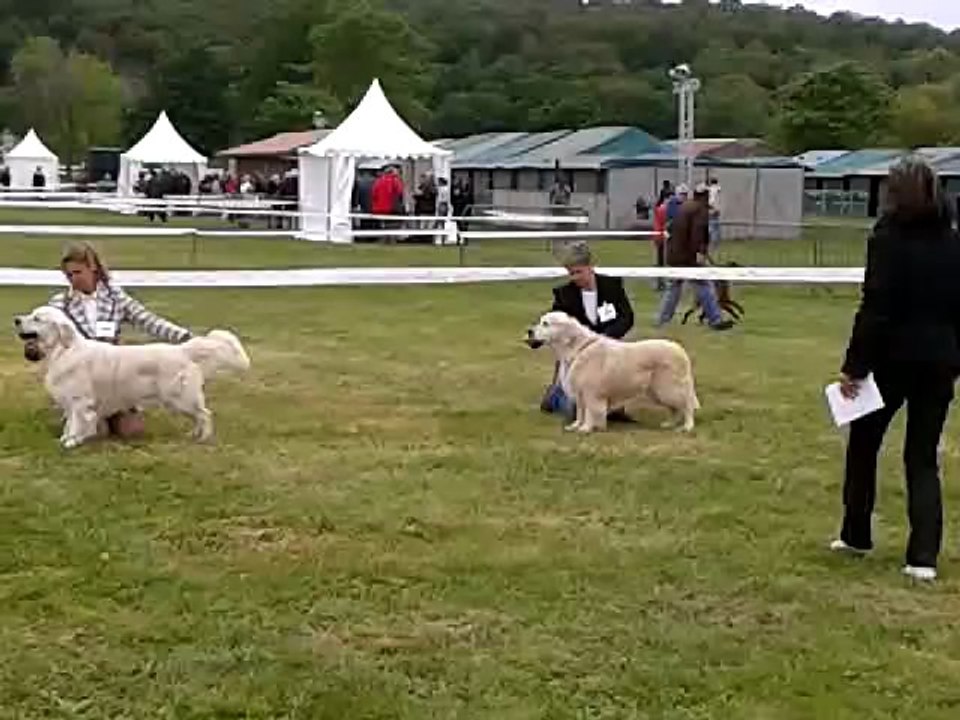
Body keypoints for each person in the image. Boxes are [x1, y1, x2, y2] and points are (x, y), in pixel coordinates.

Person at [832, 157, 960, 582]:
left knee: (864, 444)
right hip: (939, 360)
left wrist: (854, 366)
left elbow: (876, 306)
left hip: (891, 359)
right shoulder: (952, 240)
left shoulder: (887, 238)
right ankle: (923, 557)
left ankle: (855, 534)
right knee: (922, 457)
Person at [47, 242, 194, 439]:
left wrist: (182, 336)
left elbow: (147, 320)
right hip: (79, 382)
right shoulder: (59, 305)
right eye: (69, 275)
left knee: (132, 431)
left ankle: (114, 412)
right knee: (96, 433)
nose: (73, 279)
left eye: (78, 272)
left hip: (116, 378)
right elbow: (45, 337)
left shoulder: (116, 297)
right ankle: (76, 417)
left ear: (93, 267)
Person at [539, 241, 635, 421]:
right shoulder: (564, 294)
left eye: (579, 272)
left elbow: (626, 317)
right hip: (576, 358)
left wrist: (604, 339)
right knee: (575, 410)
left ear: (591, 267)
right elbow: (553, 325)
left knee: (607, 408)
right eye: (571, 273)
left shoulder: (612, 286)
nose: (575, 277)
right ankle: (555, 396)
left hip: (607, 354)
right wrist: (538, 339)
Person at [655, 184, 734, 331]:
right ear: (705, 196)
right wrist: (700, 253)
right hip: (688, 256)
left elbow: (671, 228)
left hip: (674, 254)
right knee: (704, 285)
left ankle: (662, 321)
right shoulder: (699, 210)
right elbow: (697, 234)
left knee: (674, 287)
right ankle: (715, 320)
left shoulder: (685, 207)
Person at [707, 177, 722, 251]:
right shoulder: (717, 189)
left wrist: (711, 208)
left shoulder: (711, 190)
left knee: (712, 228)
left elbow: (711, 201)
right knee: (715, 229)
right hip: (716, 210)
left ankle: (712, 245)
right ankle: (715, 245)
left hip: (712, 210)